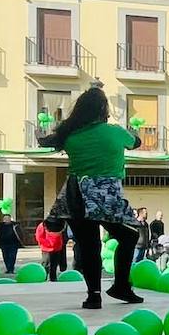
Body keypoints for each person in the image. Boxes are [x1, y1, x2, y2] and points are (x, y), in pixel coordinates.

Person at [36, 82, 141, 309]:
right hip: (106, 193)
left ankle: (94, 295)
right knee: (129, 236)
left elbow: (46, 141)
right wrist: (134, 133)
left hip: (76, 194)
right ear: (103, 109)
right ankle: (121, 285)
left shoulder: (70, 136)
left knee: (89, 245)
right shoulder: (115, 133)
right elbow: (136, 143)